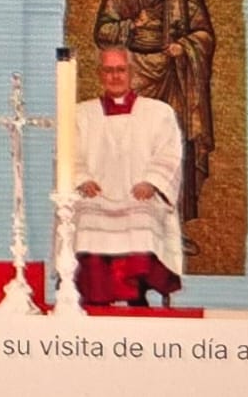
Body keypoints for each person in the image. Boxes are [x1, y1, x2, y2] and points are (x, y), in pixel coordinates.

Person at [91, 0, 215, 248]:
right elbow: (103, 31)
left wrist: (184, 46)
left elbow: (204, 33)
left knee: (173, 149)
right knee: (132, 148)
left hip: (174, 75)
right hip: (134, 75)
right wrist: (132, 25)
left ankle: (171, 227)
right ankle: (131, 223)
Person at [67, 46, 184, 307]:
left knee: (142, 214)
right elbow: (68, 154)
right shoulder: (81, 114)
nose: (115, 76)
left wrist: (152, 182)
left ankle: (137, 294)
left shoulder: (158, 112)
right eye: (108, 70)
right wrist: (82, 179)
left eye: (121, 69)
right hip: (96, 195)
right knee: (86, 216)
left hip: (139, 194)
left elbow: (169, 153)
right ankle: (97, 298)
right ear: (99, 74)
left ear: (132, 72)